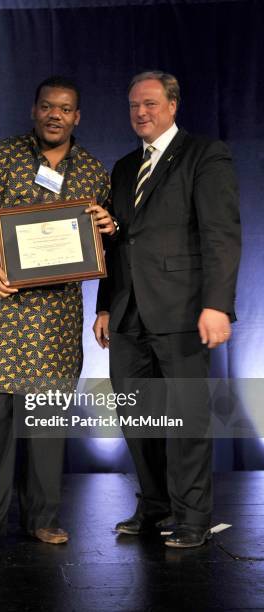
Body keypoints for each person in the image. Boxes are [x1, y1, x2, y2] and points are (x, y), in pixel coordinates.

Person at [0, 76, 115, 554]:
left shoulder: (93, 172)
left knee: (46, 422)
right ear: (35, 110)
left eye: (65, 108)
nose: (55, 115)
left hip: (55, 318)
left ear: (77, 116)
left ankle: (43, 518)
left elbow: (111, 245)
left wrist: (110, 225)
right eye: (47, 106)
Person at [94, 71, 241, 548]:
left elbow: (221, 234)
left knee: (186, 418)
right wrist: (103, 306)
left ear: (173, 106)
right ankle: (155, 507)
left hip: (182, 311)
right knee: (137, 418)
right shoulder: (121, 168)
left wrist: (217, 304)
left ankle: (193, 516)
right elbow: (117, 243)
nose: (142, 112)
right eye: (135, 105)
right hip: (127, 313)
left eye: (152, 104)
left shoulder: (205, 154)